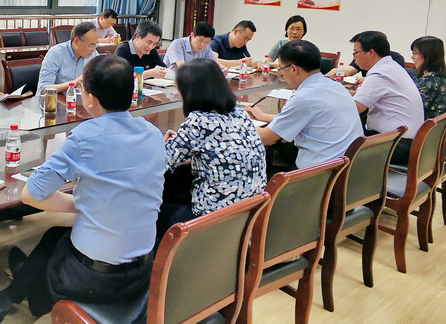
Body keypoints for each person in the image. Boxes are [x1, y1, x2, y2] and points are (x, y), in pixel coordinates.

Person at [0, 56, 166, 322]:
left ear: (90, 99)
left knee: (53, 245)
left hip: (94, 280)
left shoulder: (86, 136)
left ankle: (28, 295)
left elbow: (31, 194)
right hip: (142, 272)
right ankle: (15, 290)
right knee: (54, 236)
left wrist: (79, 205)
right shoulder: (153, 133)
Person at [160, 58, 266, 237]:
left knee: (156, 211)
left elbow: (163, 162)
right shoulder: (240, 113)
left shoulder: (198, 121)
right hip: (247, 214)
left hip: (213, 220)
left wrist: (164, 145)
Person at [246, 40, 364, 171]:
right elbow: (307, 119)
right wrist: (264, 116)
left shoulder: (303, 98)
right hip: (350, 168)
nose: (282, 75)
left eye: (281, 69)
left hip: (319, 175)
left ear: (293, 69)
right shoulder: (336, 86)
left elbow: (264, 138)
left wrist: (240, 122)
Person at [351, 31, 423, 164]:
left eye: (355, 53)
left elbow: (356, 107)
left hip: (397, 144)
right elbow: (363, 96)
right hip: (406, 140)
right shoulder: (391, 66)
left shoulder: (380, 73)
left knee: (341, 143)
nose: (354, 58)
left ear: (371, 52)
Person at [37, 21, 99, 94]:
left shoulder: (93, 54)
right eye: (91, 45)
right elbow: (43, 89)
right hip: (56, 99)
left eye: (95, 45)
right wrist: (74, 83)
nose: (93, 49)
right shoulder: (56, 53)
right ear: (76, 41)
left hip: (80, 99)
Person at [410, 36, 446, 119]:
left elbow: (411, 109)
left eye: (415, 53)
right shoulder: (437, 76)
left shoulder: (430, 81)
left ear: (428, 55)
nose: (412, 57)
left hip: (422, 125)